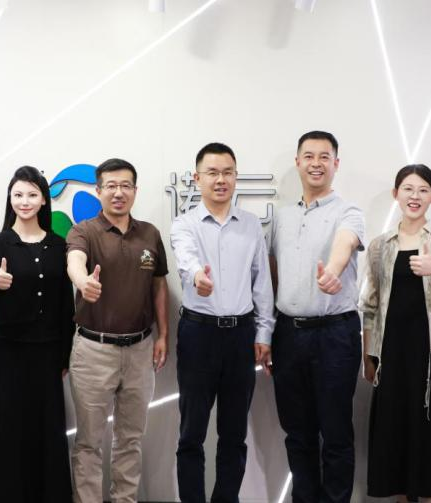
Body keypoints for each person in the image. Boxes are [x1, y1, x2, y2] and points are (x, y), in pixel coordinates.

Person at [359, 164, 431, 503]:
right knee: (396, 434)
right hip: (392, 354)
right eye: (408, 189)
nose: (415, 196)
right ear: (396, 194)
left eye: (423, 190)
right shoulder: (379, 246)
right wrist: (369, 355)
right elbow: (370, 305)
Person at [170, 142, 274, 503]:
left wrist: (264, 332)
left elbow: (261, 283)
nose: (220, 180)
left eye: (227, 172)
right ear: (197, 178)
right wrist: (197, 276)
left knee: (234, 435)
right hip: (198, 333)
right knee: (191, 434)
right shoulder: (184, 224)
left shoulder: (251, 225)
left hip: (240, 337)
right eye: (212, 172)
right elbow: (186, 258)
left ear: (236, 176)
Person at [267, 130, 365, 502]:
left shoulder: (349, 211)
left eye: (325, 157)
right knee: (298, 433)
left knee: (336, 433)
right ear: (298, 162)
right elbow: (272, 274)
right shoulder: (282, 216)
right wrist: (266, 331)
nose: (316, 164)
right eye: (309, 156)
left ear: (336, 164)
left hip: (335, 334)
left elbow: (345, 242)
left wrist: (333, 271)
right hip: (288, 334)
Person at [66, 158, 169, 503]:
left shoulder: (150, 234)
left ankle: (125, 499)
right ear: (98, 191)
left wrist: (164, 335)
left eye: (125, 185)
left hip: (140, 349)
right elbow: (74, 261)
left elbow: (159, 285)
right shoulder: (84, 231)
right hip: (93, 351)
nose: (118, 192)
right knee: (89, 442)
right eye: (110, 186)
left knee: (130, 439)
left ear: (135, 191)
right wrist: (83, 282)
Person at [0, 166, 75, 503]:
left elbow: (65, 305)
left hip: (47, 352)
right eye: (18, 194)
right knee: (9, 427)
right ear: (10, 199)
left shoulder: (59, 245)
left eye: (32, 194)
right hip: (8, 352)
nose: (25, 201)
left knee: (46, 427)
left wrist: (64, 354)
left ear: (44, 199)